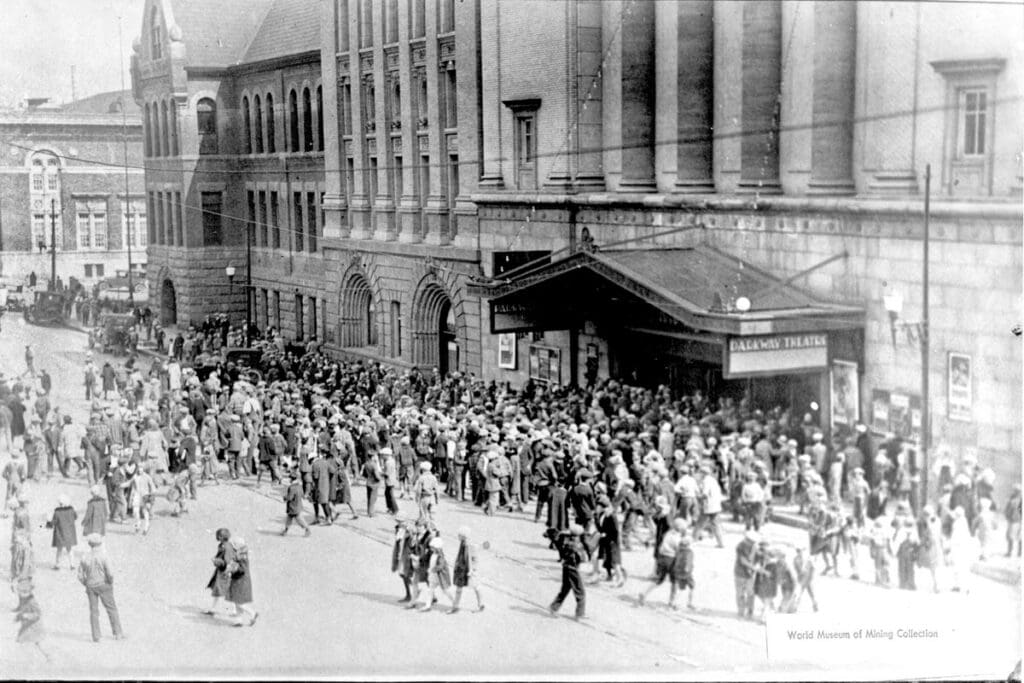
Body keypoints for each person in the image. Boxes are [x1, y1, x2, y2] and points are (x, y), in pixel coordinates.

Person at [76, 534, 125, 643]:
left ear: (90, 544)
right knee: (111, 608)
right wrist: (110, 582)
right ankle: (117, 633)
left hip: (91, 586)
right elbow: (110, 573)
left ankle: (96, 636)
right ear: (100, 544)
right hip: (104, 584)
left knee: (93, 611)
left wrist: (86, 583)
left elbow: (79, 575)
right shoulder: (104, 556)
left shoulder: (85, 557)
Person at [638, 517, 685, 609]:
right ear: (680, 528)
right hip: (671, 560)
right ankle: (672, 602)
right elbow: (679, 551)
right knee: (674, 581)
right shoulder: (677, 538)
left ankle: (644, 593)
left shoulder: (668, 534)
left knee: (660, 579)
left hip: (662, 558)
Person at [549, 523, 587, 620]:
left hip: (566, 567)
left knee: (565, 589)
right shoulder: (576, 544)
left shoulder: (565, 540)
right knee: (580, 592)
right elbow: (582, 558)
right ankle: (580, 613)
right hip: (573, 569)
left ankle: (554, 607)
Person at [449, 526, 484, 614]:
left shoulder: (470, 546)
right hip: (461, 570)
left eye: (459, 535)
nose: (458, 536)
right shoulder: (462, 543)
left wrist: (473, 570)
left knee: (476, 586)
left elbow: (475, 559)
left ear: (463, 536)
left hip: (469, 571)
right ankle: (455, 606)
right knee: (459, 588)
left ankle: (481, 604)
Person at [227, 536, 258, 627]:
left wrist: (229, 569)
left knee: (238, 602)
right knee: (238, 601)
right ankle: (238, 621)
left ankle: (252, 613)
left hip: (239, 580)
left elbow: (234, 566)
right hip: (242, 580)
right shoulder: (243, 553)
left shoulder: (239, 556)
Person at [420, 536, 454, 612]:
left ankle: (454, 603)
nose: (431, 549)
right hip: (434, 576)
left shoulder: (440, 556)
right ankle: (427, 605)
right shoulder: (434, 554)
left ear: (436, 547)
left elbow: (440, 566)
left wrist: (433, 569)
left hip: (440, 577)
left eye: (432, 547)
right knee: (430, 590)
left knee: (446, 591)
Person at [206, 528, 235, 615]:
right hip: (223, 571)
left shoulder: (225, 547)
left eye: (218, 536)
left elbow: (226, 561)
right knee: (218, 589)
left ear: (221, 537)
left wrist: (216, 561)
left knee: (222, 590)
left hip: (224, 572)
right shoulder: (224, 545)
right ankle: (213, 609)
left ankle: (234, 610)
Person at [734, 530, 760, 620]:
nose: (752, 543)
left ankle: (750, 611)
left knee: (750, 593)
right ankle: (741, 611)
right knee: (740, 593)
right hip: (740, 573)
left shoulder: (755, 547)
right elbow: (743, 561)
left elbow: (758, 559)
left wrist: (756, 565)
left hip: (750, 574)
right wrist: (753, 567)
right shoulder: (740, 546)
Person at [49, 494, 78, 570]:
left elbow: (53, 522)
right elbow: (75, 517)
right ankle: (72, 564)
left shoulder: (57, 512)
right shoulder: (71, 510)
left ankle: (57, 565)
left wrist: (48, 522)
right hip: (70, 533)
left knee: (59, 550)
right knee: (70, 550)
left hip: (60, 534)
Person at [392, 517, 417, 603]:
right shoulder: (398, 529)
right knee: (403, 575)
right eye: (398, 521)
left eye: (401, 521)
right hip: (401, 555)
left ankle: (410, 594)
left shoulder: (410, 530)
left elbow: (413, 543)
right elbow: (398, 543)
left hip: (407, 556)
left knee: (406, 574)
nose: (399, 523)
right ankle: (409, 593)